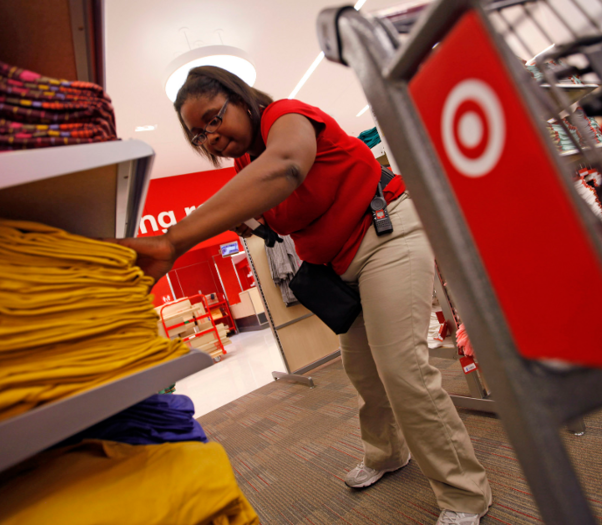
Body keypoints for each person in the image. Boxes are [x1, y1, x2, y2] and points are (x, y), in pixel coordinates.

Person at [116, 66, 492, 525]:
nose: (211, 138)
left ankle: (464, 493)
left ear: (240, 97)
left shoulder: (285, 116)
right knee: (363, 371)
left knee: (403, 371)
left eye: (214, 119)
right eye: (199, 135)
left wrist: (172, 242)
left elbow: (289, 166)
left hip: (386, 233)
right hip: (339, 266)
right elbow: (280, 216)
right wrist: (254, 222)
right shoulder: (246, 165)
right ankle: (388, 453)